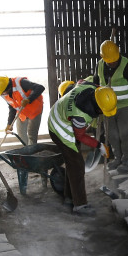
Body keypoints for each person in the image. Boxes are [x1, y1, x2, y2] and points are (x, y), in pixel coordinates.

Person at [48, 82, 118, 216]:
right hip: (59, 128)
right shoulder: (80, 115)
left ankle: (69, 197)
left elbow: (80, 82)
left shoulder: (91, 88)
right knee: (77, 165)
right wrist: (100, 146)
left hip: (59, 113)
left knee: (72, 163)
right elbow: (80, 136)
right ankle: (80, 205)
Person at [93, 39, 128, 172]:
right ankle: (118, 158)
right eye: (110, 61)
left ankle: (127, 161)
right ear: (103, 57)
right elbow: (96, 84)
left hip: (125, 106)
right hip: (107, 108)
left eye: (115, 60)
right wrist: (96, 104)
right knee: (112, 135)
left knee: (125, 134)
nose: (113, 62)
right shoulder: (99, 65)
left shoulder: (127, 65)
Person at [0, 75, 45, 146]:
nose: (2, 94)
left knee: (31, 134)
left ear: (8, 88)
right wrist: (9, 124)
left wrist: (29, 99)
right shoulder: (5, 94)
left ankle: (32, 152)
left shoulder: (21, 83)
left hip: (34, 110)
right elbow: (12, 108)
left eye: (2, 92)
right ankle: (26, 150)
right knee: (21, 134)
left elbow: (40, 87)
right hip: (22, 113)